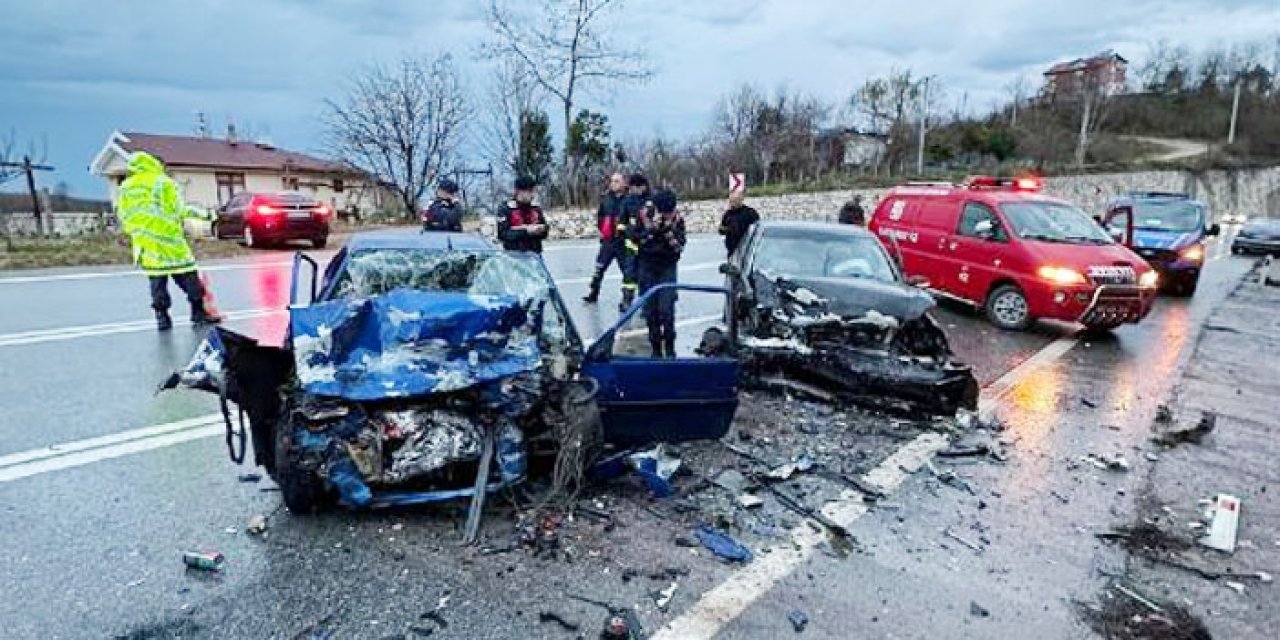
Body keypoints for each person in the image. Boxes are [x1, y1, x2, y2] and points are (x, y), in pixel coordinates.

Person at [115, 151, 221, 331]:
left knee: (157, 282)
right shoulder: (164, 183)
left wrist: (137, 232)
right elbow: (180, 210)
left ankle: (162, 318)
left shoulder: (126, 187)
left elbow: (123, 215)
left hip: (146, 245)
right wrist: (207, 215)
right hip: (170, 242)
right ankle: (198, 314)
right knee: (189, 278)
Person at [635, 189, 686, 358]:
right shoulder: (644, 216)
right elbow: (636, 240)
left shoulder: (677, 220)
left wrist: (668, 231)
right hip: (647, 265)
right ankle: (655, 347)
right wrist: (652, 230)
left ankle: (670, 345)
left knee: (666, 308)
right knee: (650, 309)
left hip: (667, 266)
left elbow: (679, 246)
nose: (666, 215)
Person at [583, 172, 628, 304]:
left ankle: (627, 298)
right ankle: (593, 293)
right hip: (608, 241)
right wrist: (603, 227)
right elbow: (600, 215)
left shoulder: (629, 199)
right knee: (599, 268)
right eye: (612, 181)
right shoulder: (606, 199)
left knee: (627, 271)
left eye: (617, 181)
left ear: (624, 183)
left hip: (623, 242)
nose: (613, 184)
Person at [615, 173, 651, 311]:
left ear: (642, 187)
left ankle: (646, 303)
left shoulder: (651, 201)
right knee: (629, 274)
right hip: (631, 244)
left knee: (645, 275)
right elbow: (622, 221)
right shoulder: (628, 201)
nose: (631, 191)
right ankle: (627, 300)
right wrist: (622, 234)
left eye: (634, 188)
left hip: (647, 245)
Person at [497, 176, 550, 253]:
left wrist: (542, 229)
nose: (532, 195)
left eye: (533, 191)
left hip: (535, 255)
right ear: (519, 191)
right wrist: (525, 231)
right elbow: (502, 234)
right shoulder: (506, 208)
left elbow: (544, 232)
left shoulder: (535, 208)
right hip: (514, 256)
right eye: (529, 191)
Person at [718, 190, 759, 256]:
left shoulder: (750, 213)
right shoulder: (728, 214)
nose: (732, 203)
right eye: (731, 201)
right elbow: (721, 230)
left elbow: (757, 228)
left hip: (747, 248)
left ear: (741, 200)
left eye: (735, 200)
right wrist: (728, 229)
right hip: (732, 249)